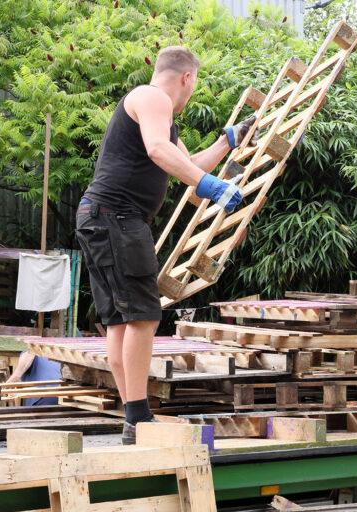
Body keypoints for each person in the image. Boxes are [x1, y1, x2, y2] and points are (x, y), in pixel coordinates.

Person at [76, 46, 253, 445]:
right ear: (186, 78)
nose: (191, 93)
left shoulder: (161, 119)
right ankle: (138, 420)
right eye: (195, 84)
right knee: (143, 317)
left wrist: (228, 142)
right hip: (117, 218)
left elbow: (189, 165)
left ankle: (132, 419)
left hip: (102, 218)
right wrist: (212, 188)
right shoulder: (151, 97)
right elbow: (160, 153)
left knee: (122, 320)